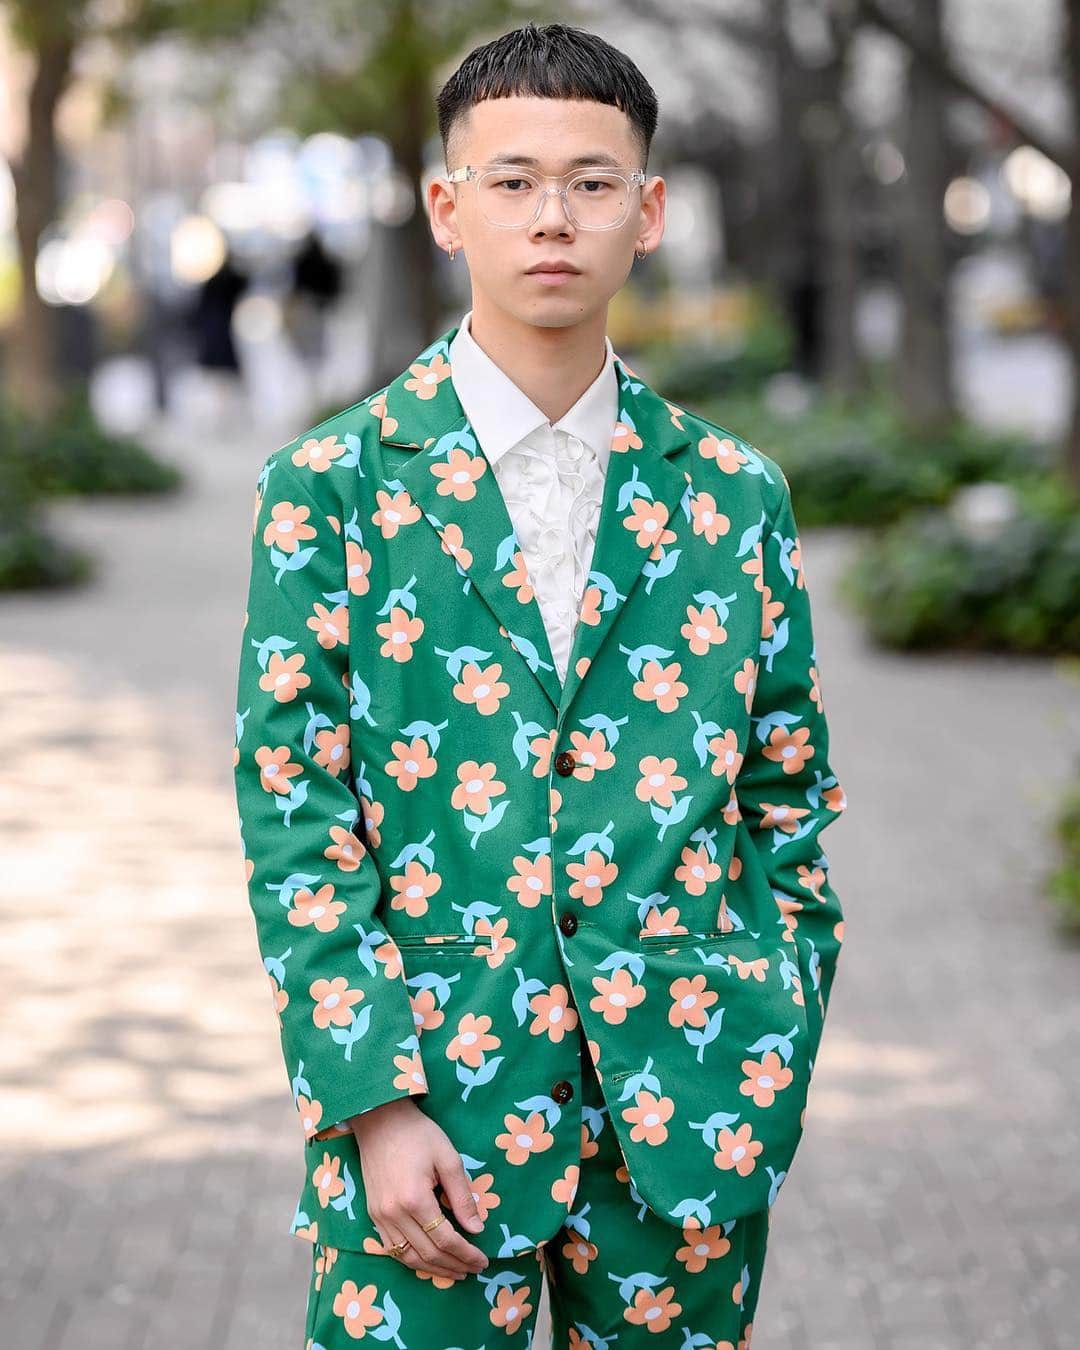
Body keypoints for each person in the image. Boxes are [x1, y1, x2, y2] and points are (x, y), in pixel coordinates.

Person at [231, 21, 848, 1349]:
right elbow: (294, 808)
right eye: (511, 182)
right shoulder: (329, 490)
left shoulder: (736, 497)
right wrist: (370, 1100)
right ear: (448, 209)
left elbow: (788, 790)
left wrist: (775, 1025)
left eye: (592, 180)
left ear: (651, 210)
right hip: (430, 1116)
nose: (552, 217)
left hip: (689, 1099)